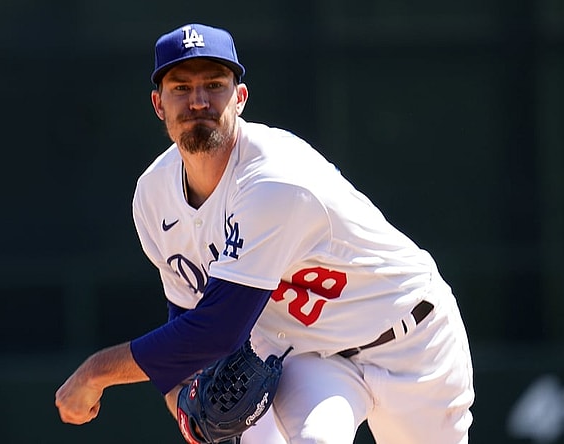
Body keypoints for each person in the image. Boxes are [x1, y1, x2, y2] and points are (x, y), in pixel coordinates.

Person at [55, 23, 475, 443]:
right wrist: (184, 406)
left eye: (214, 85)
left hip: (412, 341)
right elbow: (186, 320)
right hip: (312, 357)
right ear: (158, 104)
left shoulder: (274, 178)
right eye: (180, 88)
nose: (198, 100)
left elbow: (218, 330)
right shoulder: (153, 196)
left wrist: (97, 373)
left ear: (239, 98)